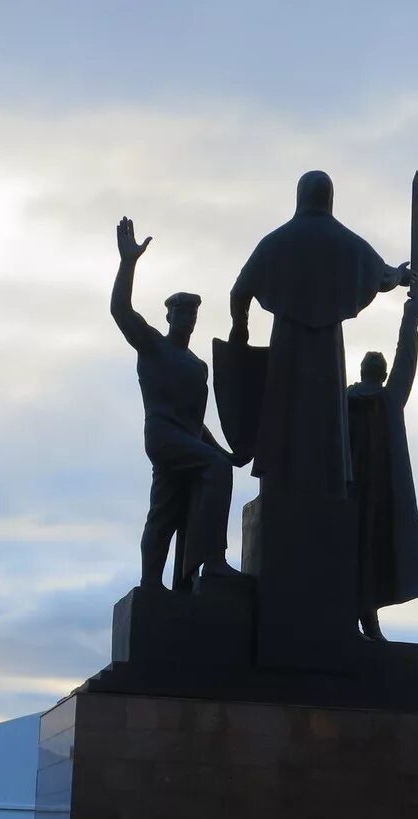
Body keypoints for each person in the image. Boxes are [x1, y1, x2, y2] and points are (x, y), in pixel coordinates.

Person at [229, 171, 411, 497]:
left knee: (284, 409)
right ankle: (326, 482)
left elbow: (239, 292)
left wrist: (240, 329)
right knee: (326, 415)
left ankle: (283, 480)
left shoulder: (276, 242)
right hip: (327, 348)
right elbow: (382, 275)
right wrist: (400, 275)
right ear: (329, 198)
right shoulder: (344, 241)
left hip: (287, 344)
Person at [112, 216, 240, 589]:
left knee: (168, 510)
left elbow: (195, 424)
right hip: (163, 437)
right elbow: (121, 310)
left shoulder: (198, 366)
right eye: (181, 312)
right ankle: (213, 560)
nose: (187, 319)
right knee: (215, 471)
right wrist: (128, 262)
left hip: (184, 438)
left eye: (192, 314)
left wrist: (223, 450)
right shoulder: (153, 346)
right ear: (168, 315)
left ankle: (160, 584)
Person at [347, 293, 418, 640]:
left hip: (349, 489)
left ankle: (361, 618)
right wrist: (410, 320)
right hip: (379, 491)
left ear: (361, 373)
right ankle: (367, 619)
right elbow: (406, 360)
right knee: (373, 553)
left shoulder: (342, 398)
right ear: (383, 375)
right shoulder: (389, 398)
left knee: (355, 551)